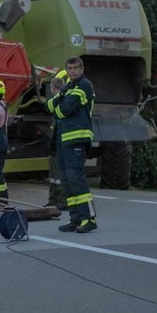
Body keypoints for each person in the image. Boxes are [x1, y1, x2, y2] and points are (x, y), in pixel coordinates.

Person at [46, 57, 98, 233]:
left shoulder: (84, 85)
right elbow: (50, 105)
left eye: (76, 68)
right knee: (67, 180)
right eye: (70, 68)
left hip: (77, 138)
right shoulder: (68, 87)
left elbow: (64, 109)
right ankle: (75, 218)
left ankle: (89, 218)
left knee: (76, 179)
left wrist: (59, 105)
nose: (73, 71)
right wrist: (59, 101)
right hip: (63, 139)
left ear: (82, 69)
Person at [45, 70, 70, 209]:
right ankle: (54, 200)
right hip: (56, 146)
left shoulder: (60, 104)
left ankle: (61, 201)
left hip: (59, 145)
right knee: (54, 177)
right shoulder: (61, 103)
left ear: (53, 88)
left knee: (58, 176)